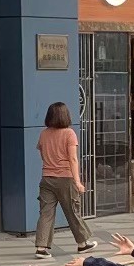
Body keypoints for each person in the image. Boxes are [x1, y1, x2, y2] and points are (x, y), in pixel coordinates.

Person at [34, 102, 90, 254]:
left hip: (47, 178)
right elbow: (73, 159)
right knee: (72, 211)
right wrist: (77, 182)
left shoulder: (44, 134)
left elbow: (42, 154)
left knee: (46, 213)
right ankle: (82, 243)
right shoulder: (69, 133)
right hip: (65, 178)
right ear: (66, 116)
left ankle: (41, 248)